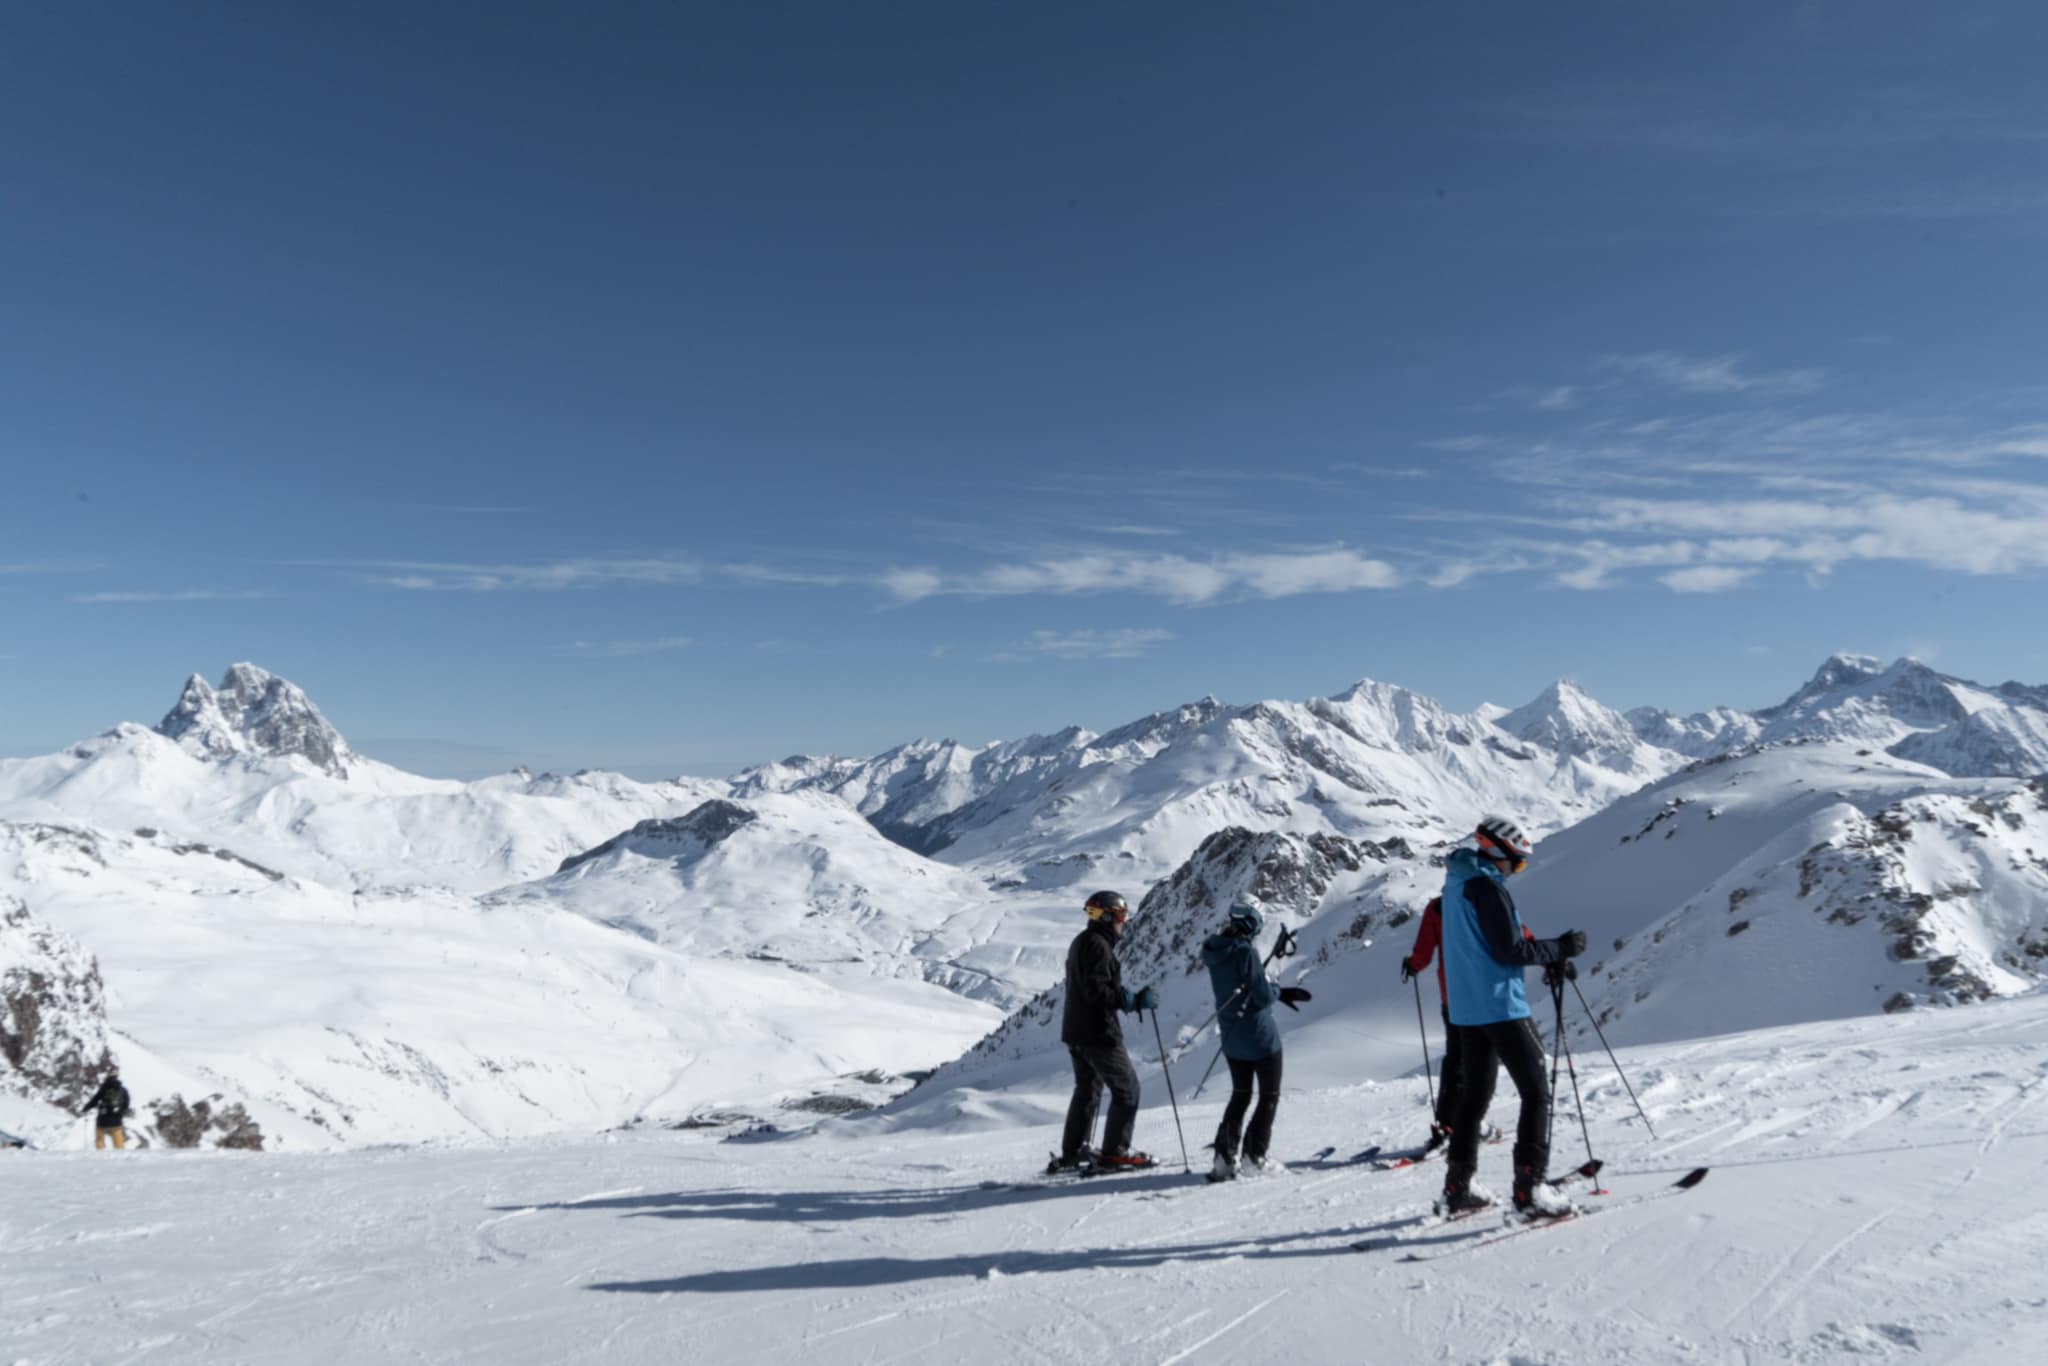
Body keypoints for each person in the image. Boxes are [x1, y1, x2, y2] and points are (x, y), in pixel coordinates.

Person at [1438, 816, 1587, 1217]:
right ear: (1500, 852)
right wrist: (1562, 948)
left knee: (1474, 1098)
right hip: (1501, 1004)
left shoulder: (1456, 884)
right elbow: (1510, 951)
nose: (1516, 870)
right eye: (1517, 862)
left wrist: (1549, 955)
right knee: (1536, 1093)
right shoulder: (1487, 888)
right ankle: (1529, 1191)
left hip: (1468, 1009)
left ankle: (1459, 1186)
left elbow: (1494, 942)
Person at [1200, 902, 1311, 1180]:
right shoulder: (1245, 953)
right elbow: (1261, 996)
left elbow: (1244, 988)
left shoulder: (1215, 952)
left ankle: (1224, 1159)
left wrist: (1267, 988)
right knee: (1268, 1096)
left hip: (1232, 1037)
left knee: (1240, 1096)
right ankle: (1254, 1156)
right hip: (1260, 1039)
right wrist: (1276, 989)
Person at [1053, 890, 1159, 1171]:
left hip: (1077, 1031)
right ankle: (1115, 1153)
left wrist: (1125, 997)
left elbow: (1093, 986)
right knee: (1128, 1091)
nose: (1124, 922)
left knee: (1087, 1090)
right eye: (1122, 916)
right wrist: (1131, 1001)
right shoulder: (1098, 945)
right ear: (1110, 916)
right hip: (1098, 1032)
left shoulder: (1083, 941)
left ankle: (1073, 1152)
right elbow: (1097, 991)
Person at [1401, 897, 1464, 1155]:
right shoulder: (1484, 896)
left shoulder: (1439, 906)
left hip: (1452, 997)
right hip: (1483, 997)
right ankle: (1464, 1126)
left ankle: (1448, 1123)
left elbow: (1424, 951)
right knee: (1478, 1064)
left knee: (1456, 1060)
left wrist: (1413, 963)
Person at [81, 1067, 132, 1151]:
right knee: (119, 1144)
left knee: (99, 1140)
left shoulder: (103, 1089)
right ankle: (121, 1158)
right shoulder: (123, 1090)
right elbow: (126, 1104)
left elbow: (94, 1101)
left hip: (102, 1120)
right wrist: (120, 1113)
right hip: (116, 1121)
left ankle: (100, 1156)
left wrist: (85, 1108)